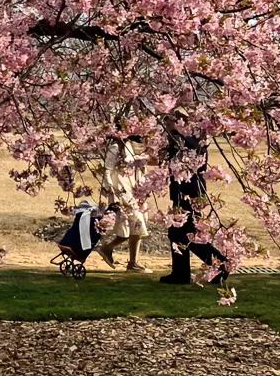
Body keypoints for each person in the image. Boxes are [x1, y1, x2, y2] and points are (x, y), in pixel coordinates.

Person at [159, 107, 227, 285]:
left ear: (178, 122)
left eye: (168, 121)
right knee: (177, 232)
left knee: (186, 233)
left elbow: (183, 166)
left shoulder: (184, 139)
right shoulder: (188, 138)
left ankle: (218, 263)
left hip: (188, 192)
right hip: (186, 192)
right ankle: (180, 273)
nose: (165, 125)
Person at [97, 137, 151, 272]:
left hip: (133, 187)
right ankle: (109, 248)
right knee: (133, 221)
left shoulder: (133, 146)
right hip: (121, 188)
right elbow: (107, 169)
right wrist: (109, 188)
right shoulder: (116, 147)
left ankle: (132, 261)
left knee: (137, 223)